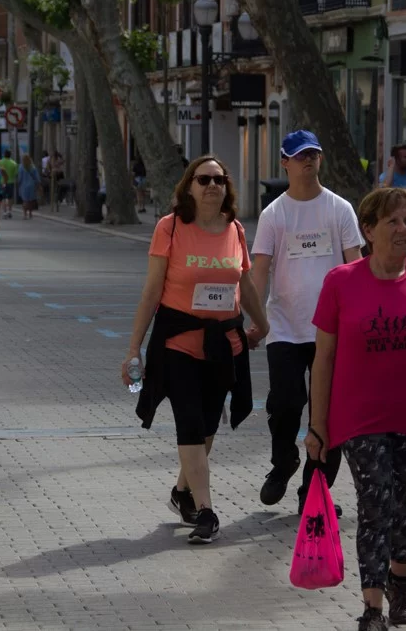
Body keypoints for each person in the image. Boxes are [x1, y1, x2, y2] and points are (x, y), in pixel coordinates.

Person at [305, 187, 406, 630]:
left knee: (405, 503)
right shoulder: (340, 281)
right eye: (393, 222)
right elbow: (323, 359)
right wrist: (316, 425)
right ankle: (372, 607)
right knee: (375, 502)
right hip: (359, 418)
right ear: (368, 230)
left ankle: (401, 581)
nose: (404, 230)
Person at [122, 155, 268, 544]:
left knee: (206, 425)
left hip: (222, 342)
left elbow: (246, 284)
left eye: (218, 180)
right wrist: (134, 348)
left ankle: (181, 492)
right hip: (177, 340)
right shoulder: (170, 228)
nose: (211, 186)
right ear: (189, 187)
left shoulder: (235, 229)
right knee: (188, 418)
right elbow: (152, 290)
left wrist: (263, 325)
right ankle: (206, 511)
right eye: (202, 180)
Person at [251, 130, 364, 515]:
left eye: (314, 154)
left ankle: (314, 490)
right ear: (284, 162)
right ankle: (283, 462)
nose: (308, 161)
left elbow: (354, 266)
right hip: (284, 326)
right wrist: (254, 320)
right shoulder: (274, 214)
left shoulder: (339, 209)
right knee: (284, 403)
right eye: (300, 156)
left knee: (328, 414)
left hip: (332, 330)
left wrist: (360, 317)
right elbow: (259, 271)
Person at [17, 153, 39, 220]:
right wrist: (38, 183)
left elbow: (20, 177)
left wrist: (18, 183)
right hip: (32, 185)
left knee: (25, 201)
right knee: (31, 201)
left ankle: (24, 214)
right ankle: (30, 213)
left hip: (24, 186)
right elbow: (36, 177)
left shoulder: (21, 167)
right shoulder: (33, 167)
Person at [0, 149, 18, 219]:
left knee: (3, 197)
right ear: (10, 155)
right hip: (11, 182)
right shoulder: (14, 163)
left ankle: (4, 212)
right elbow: (15, 174)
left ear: (4, 154)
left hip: (2, 182)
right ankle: (10, 211)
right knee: (10, 197)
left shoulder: (0, 162)